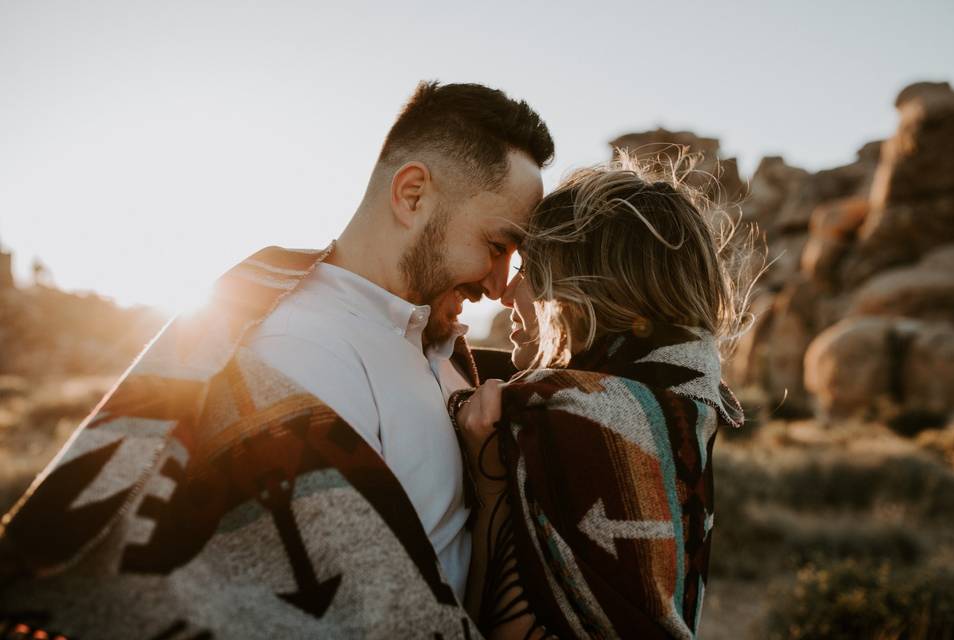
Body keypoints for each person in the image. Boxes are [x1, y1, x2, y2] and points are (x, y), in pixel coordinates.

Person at [0, 81, 552, 638]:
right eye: (497, 244)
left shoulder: (437, 342)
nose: (500, 282)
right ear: (412, 195)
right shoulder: (299, 353)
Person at [455, 153, 750, 639]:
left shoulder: (562, 422)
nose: (506, 293)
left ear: (583, 290)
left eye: (530, 267)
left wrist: (489, 489)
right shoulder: (681, 405)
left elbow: (504, 629)